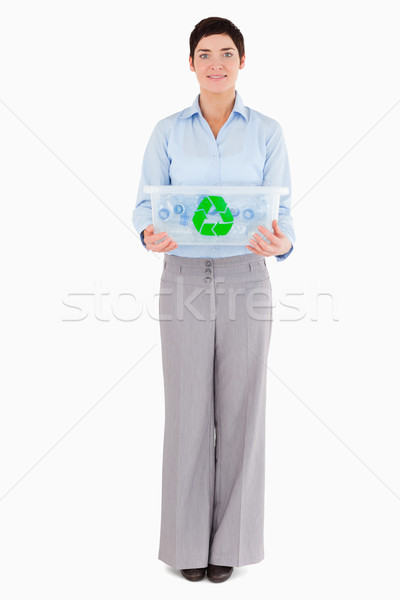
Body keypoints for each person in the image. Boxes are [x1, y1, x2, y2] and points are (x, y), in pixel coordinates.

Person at [132, 17, 295, 583]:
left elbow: (286, 214)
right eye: (206, 53)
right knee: (187, 414)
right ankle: (185, 545)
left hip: (247, 276)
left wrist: (284, 242)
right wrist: (149, 233)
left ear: (242, 62)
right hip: (182, 277)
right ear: (192, 63)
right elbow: (143, 208)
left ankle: (231, 543)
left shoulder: (267, 131)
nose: (217, 63)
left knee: (242, 411)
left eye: (227, 53)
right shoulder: (167, 132)